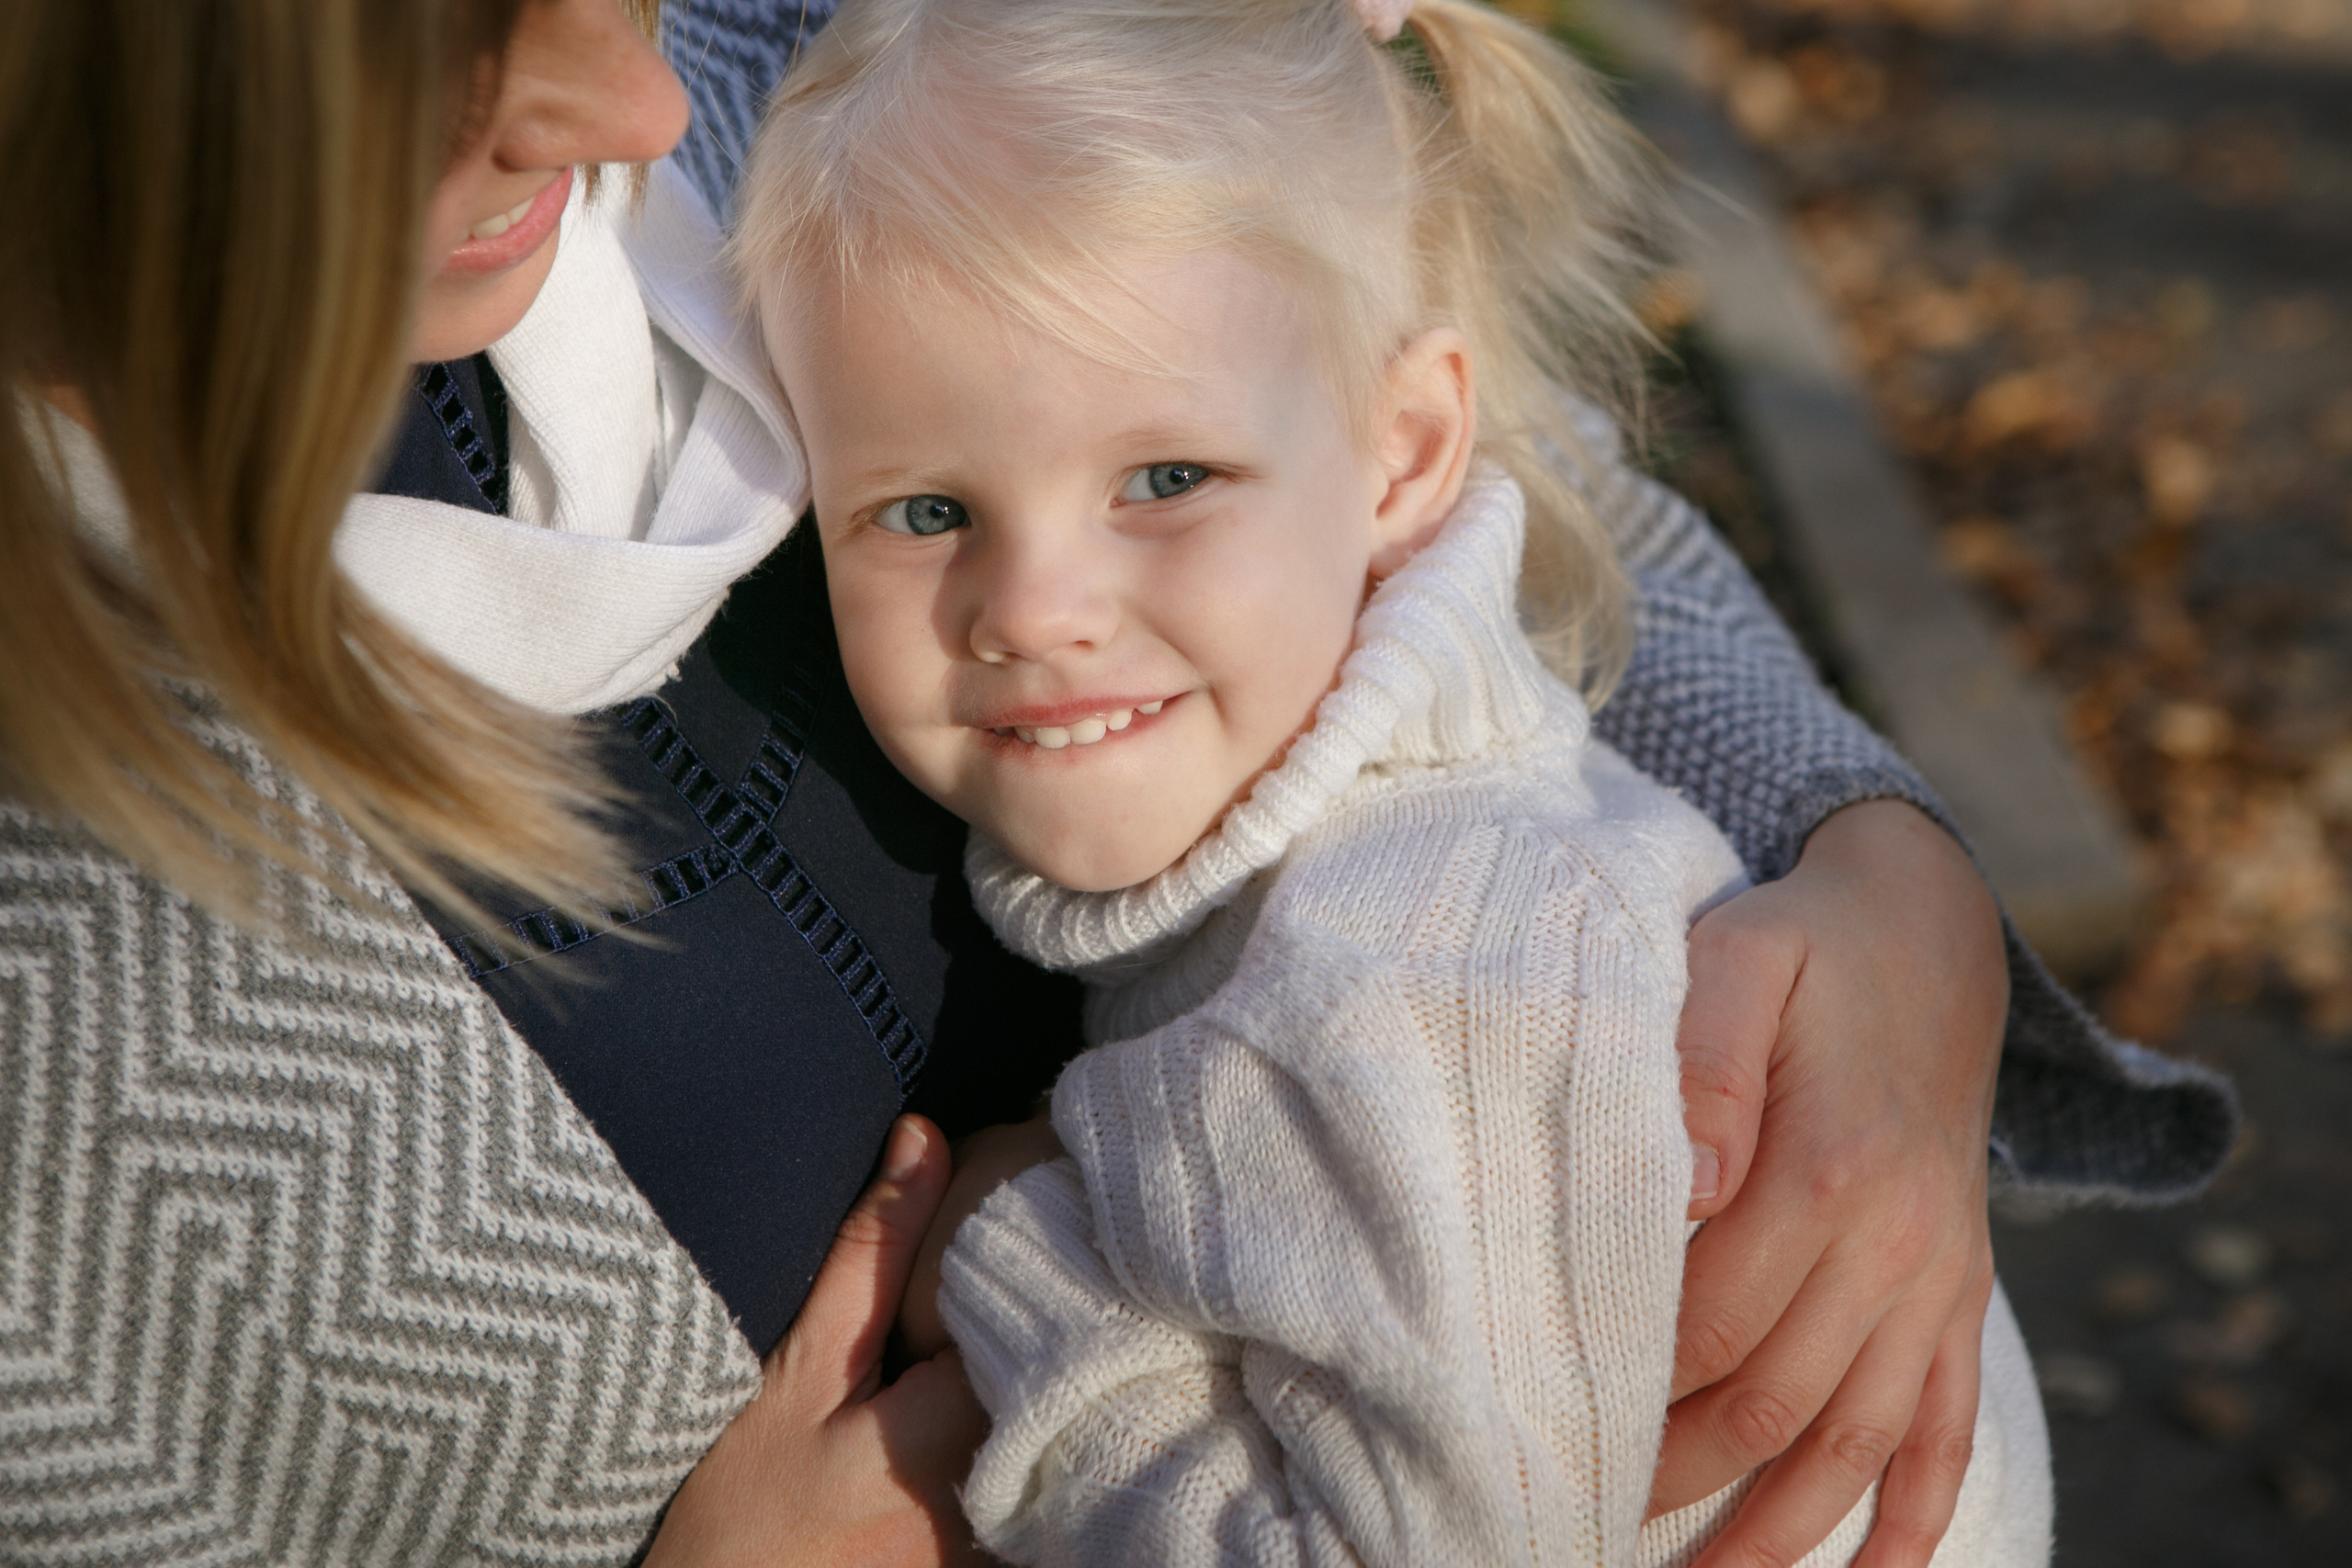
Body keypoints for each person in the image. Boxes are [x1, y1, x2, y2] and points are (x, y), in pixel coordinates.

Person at [0, 1, 2233, 1564]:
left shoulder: (800, 66)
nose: (620, 87)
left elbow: (1482, 503)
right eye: (437, 36)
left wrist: (1875, 873)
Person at [734, 1, 2052, 1562]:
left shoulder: (1401, 982)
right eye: (926, 509)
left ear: (1407, 451)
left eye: (1165, 480)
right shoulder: (1372, 876)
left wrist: (1033, 1274)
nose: (1031, 608)